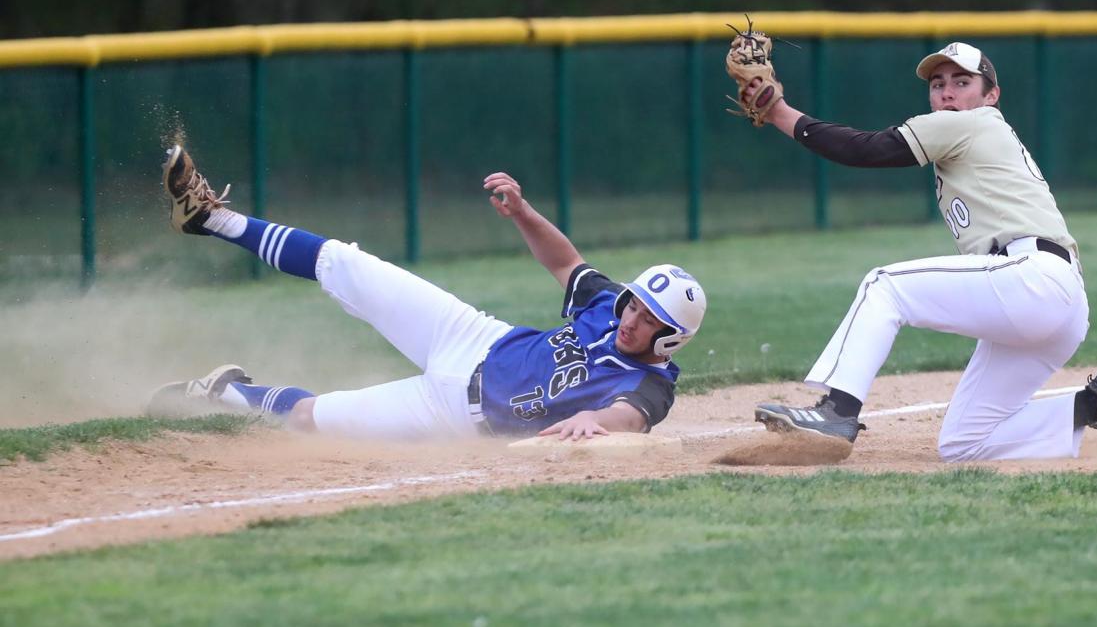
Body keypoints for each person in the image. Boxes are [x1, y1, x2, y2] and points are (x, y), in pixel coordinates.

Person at [731, 40, 1097, 460]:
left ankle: (836, 412)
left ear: (991, 96)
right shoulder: (976, 135)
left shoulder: (972, 122)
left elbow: (865, 149)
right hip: (1055, 303)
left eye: (962, 82)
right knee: (964, 444)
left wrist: (779, 113)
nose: (948, 92)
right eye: (938, 84)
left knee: (884, 287)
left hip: (1032, 279)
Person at [149, 146, 706, 441]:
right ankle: (210, 219)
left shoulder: (651, 385)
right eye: (635, 302)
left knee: (308, 420)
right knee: (343, 262)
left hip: (454, 416)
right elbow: (566, 262)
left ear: (670, 340)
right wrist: (524, 213)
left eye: (649, 318)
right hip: (475, 338)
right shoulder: (609, 307)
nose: (632, 316)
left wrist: (598, 423)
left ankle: (219, 394)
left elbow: (631, 418)